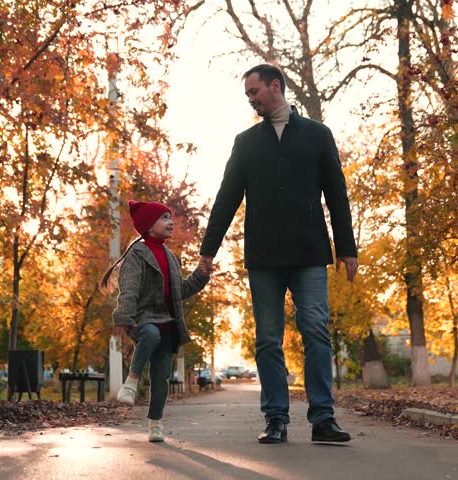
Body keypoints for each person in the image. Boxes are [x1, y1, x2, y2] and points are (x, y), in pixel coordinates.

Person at [198, 64, 358, 444]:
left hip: (309, 255)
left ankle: (323, 419)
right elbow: (226, 200)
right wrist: (208, 251)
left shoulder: (318, 136)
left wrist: (346, 248)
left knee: (316, 332)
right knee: (268, 339)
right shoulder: (246, 143)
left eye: (254, 91)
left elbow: (337, 195)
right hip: (264, 257)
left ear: (275, 86)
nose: (251, 99)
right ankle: (276, 419)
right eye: (248, 94)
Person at [103, 200, 211, 442]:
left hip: (168, 323)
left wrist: (201, 275)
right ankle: (131, 381)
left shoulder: (170, 257)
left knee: (161, 378)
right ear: (149, 226)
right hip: (142, 319)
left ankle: (155, 424)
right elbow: (129, 289)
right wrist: (124, 317)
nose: (170, 222)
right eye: (164, 218)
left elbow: (179, 290)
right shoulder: (137, 254)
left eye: (170, 218)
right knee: (150, 334)